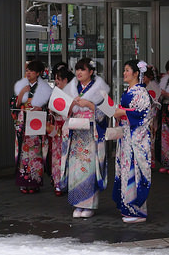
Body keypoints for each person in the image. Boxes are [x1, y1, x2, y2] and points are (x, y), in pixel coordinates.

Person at [61, 58, 109, 218]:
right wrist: (67, 108)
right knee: (76, 170)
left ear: (91, 71)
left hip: (90, 134)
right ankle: (77, 203)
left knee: (88, 169)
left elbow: (107, 112)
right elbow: (63, 112)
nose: (79, 72)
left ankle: (89, 204)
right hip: (76, 134)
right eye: (77, 69)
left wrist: (89, 105)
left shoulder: (100, 90)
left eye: (83, 69)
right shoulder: (71, 89)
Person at [112, 60, 152, 223]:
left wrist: (123, 112)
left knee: (135, 171)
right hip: (127, 138)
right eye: (124, 70)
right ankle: (128, 207)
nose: (124, 73)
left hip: (136, 138)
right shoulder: (128, 91)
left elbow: (144, 114)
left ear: (136, 73)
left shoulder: (141, 92)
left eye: (127, 70)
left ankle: (138, 211)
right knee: (125, 170)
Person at [11, 60, 52, 194]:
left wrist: (42, 108)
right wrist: (22, 93)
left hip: (37, 122)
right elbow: (14, 105)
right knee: (24, 153)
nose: (28, 73)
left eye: (32, 71)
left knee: (36, 153)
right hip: (24, 122)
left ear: (39, 73)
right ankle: (24, 182)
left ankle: (34, 183)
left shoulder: (44, 88)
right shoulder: (22, 86)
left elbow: (51, 106)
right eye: (27, 70)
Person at [47, 62, 74, 196]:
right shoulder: (56, 93)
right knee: (57, 156)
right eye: (56, 79)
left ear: (66, 80)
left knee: (68, 155)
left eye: (59, 79)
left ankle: (68, 182)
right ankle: (58, 183)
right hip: (57, 127)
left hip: (68, 126)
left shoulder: (73, 93)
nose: (57, 81)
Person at [143, 65, 161, 168]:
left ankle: (150, 162)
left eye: (144, 76)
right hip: (149, 114)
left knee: (150, 139)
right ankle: (149, 161)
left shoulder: (152, 86)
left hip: (151, 115)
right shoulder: (149, 85)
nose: (143, 79)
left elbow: (155, 101)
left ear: (149, 76)